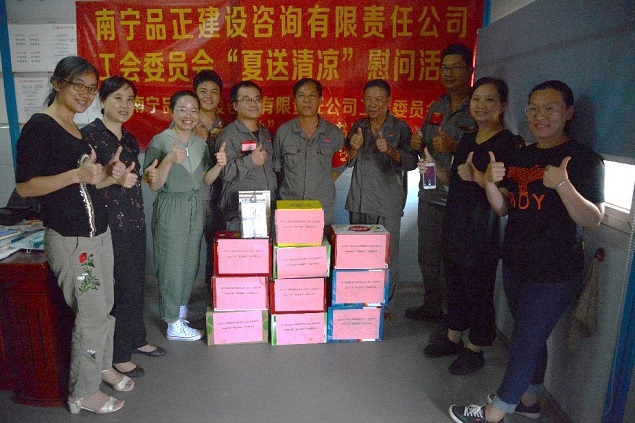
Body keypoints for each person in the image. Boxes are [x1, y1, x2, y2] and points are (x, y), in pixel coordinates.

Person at [449, 80, 605, 422]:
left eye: (550, 109)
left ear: (569, 113)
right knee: (530, 336)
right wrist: (489, 182)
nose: (539, 116)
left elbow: (592, 219)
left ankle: (494, 412)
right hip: (516, 261)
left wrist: (562, 184)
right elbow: (504, 208)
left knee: (524, 341)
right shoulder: (522, 154)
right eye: (533, 108)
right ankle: (530, 401)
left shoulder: (584, 160)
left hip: (555, 270)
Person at [15, 56, 132, 414]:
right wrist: (77, 175)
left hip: (98, 234)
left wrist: (111, 176)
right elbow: (25, 187)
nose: (85, 93)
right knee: (92, 314)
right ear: (57, 84)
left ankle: (103, 366)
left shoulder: (75, 129)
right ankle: (83, 391)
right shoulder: (40, 127)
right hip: (72, 241)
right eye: (77, 85)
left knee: (104, 306)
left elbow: (86, 186)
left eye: (91, 88)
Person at [422, 77, 524, 375]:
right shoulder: (468, 138)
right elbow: (454, 180)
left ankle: (475, 347)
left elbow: (504, 202)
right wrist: (430, 168)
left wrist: (479, 177)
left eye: (489, 100)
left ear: (502, 105)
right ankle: (453, 337)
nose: (481, 105)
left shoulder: (509, 143)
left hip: (483, 230)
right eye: (476, 99)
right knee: (454, 284)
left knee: (478, 290)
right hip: (455, 223)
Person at [81, 76, 166, 379]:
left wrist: (146, 177)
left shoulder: (129, 138)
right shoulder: (88, 136)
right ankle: (118, 355)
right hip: (107, 223)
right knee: (118, 287)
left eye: (130, 99)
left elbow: (130, 179)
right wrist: (112, 177)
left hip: (133, 219)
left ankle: (137, 337)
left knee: (136, 281)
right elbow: (84, 184)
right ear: (101, 101)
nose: (125, 105)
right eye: (117, 98)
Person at [143, 90, 226, 341]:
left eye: (193, 111)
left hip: (194, 205)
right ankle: (172, 323)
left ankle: (180, 310)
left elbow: (205, 180)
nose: (188, 115)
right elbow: (154, 185)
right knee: (171, 264)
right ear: (172, 112)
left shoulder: (200, 144)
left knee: (190, 263)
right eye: (182, 109)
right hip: (171, 206)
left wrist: (219, 165)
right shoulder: (160, 141)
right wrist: (168, 160)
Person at [405, 43, 477, 321]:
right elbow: (425, 146)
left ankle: (451, 317)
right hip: (430, 192)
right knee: (428, 256)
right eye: (444, 68)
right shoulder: (437, 106)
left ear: (469, 70)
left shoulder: (477, 107)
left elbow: (483, 150)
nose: (449, 73)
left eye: (455, 68)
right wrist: (417, 144)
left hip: (460, 198)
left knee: (453, 261)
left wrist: (453, 147)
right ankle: (431, 306)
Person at [345, 79, 418, 290]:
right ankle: (361, 299)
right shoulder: (359, 126)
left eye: (378, 99)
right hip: (360, 202)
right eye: (368, 99)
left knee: (386, 258)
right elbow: (348, 162)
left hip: (387, 204)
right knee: (358, 255)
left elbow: (411, 162)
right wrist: (353, 148)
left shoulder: (400, 128)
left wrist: (390, 151)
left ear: (388, 101)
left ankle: (386, 303)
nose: (373, 104)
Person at [273, 78, 347, 231]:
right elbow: (278, 168)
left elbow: (338, 167)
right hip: (290, 207)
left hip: (322, 208)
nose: (306, 100)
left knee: (321, 246)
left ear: (320, 99)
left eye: (312, 95)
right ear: (294, 100)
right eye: (301, 96)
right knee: (289, 247)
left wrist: (320, 183)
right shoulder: (283, 132)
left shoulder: (334, 133)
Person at [215, 81, 277, 231]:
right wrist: (250, 161)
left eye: (257, 99)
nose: (253, 104)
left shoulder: (265, 133)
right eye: (246, 99)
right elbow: (223, 172)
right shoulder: (229, 135)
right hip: (239, 212)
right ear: (235, 106)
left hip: (267, 207)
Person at [192, 69, 227, 305]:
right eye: (203, 91)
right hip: (193, 197)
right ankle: (182, 300)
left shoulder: (225, 126)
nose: (208, 96)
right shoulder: (185, 122)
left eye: (214, 92)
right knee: (189, 249)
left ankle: (212, 296)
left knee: (216, 249)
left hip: (219, 197)